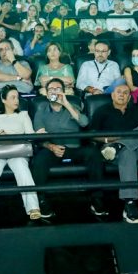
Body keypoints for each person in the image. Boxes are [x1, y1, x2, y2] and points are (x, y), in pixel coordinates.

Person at [86, 83, 138, 223]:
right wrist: (113, 139)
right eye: (119, 92)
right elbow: (92, 135)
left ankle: (120, 146)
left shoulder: (136, 111)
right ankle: (130, 203)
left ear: (129, 97)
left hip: (137, 149)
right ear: (112, 95)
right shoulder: (102, 110)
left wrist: (121, 142)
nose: (122, 95)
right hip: (110, 151)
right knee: (127, 153)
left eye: (125, 93)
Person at [0, 85, 42, 223]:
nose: (16, 100)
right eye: (13, 97)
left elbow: (30, 136)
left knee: (22, 169)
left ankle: (33, 207)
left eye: (17, 97)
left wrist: (37, 134)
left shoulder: (23, 115)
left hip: (17, 150)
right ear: (3, 99)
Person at [30, 78, 92, 218]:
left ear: (63, 92)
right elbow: (39, 137)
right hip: (53, 148)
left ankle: (97, 199)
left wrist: (66, 103)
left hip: (74, 147)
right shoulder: (41, 110)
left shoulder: (73, 106)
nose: (54, 91)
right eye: (51, 89)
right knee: (40, 159)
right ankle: (41, 200)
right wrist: (51, 146)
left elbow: (84, 123)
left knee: (93, 153)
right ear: (46, 94)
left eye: (57, 88)